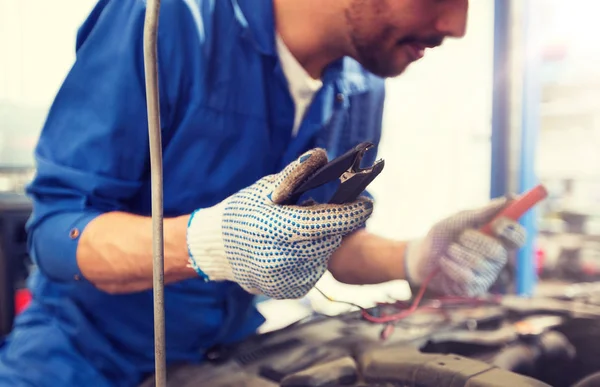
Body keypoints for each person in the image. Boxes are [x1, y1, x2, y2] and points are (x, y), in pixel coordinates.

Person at [0, 0, 526, 386]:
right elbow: (58, 232)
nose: (456, 25)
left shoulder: (361, 87)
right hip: (77, 367)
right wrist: (212, 242)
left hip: (220, 362)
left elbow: (325, 240)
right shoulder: (173, 19)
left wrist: (416, 257)